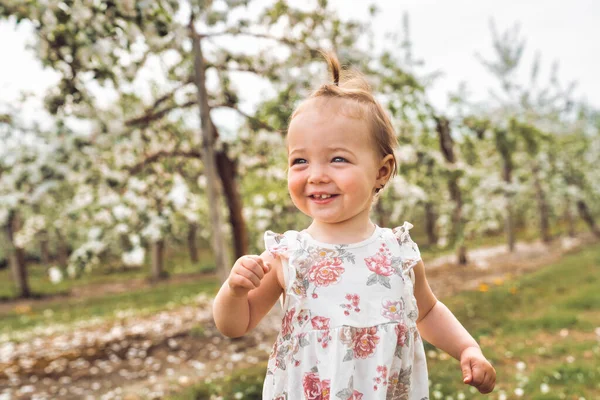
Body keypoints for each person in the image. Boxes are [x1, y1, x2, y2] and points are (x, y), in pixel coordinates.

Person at [213, 52, 496, 399]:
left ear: (381, 171)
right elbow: (234, 324)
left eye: (337, 159)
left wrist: (467, 349)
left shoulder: (398, 252)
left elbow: (429, 311)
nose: (316, 175)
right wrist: (234, 290)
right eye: (300, 160)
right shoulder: (288, 255)